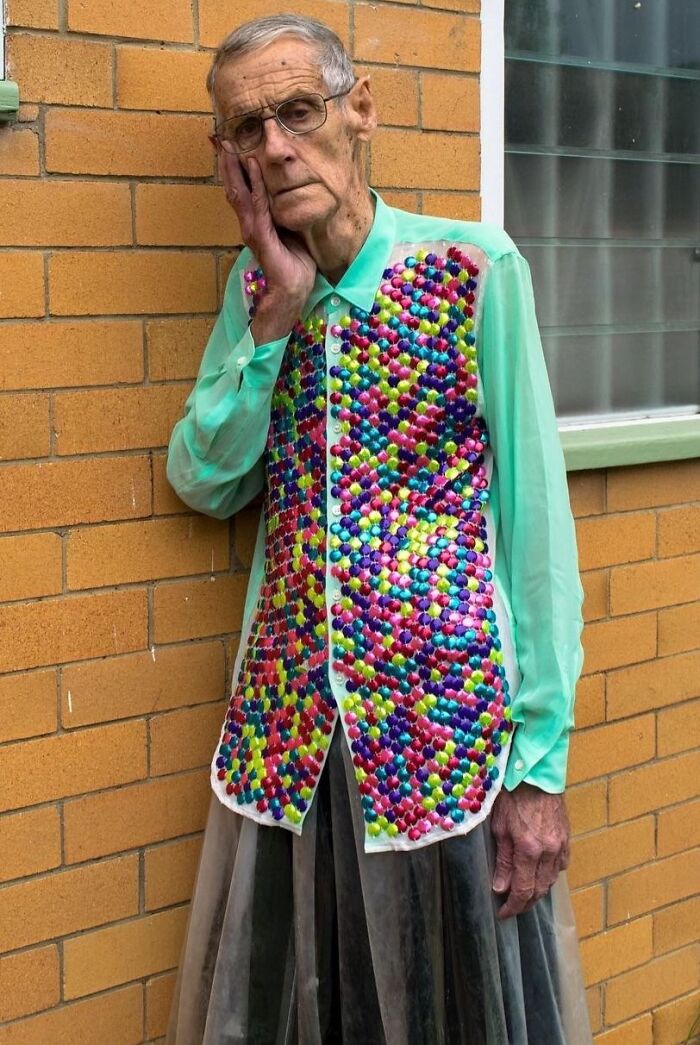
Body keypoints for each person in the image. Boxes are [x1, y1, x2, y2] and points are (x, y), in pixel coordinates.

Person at [165, 14, 590, 1045]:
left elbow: (534, 530)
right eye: (246, 128)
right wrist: (273, 321)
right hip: (292, 737)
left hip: (441, 735)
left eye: (297, 111)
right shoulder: (262, 291)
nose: (274, 146)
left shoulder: (475, 272)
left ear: (359, 111)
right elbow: (204, 479)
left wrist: (538, 769)